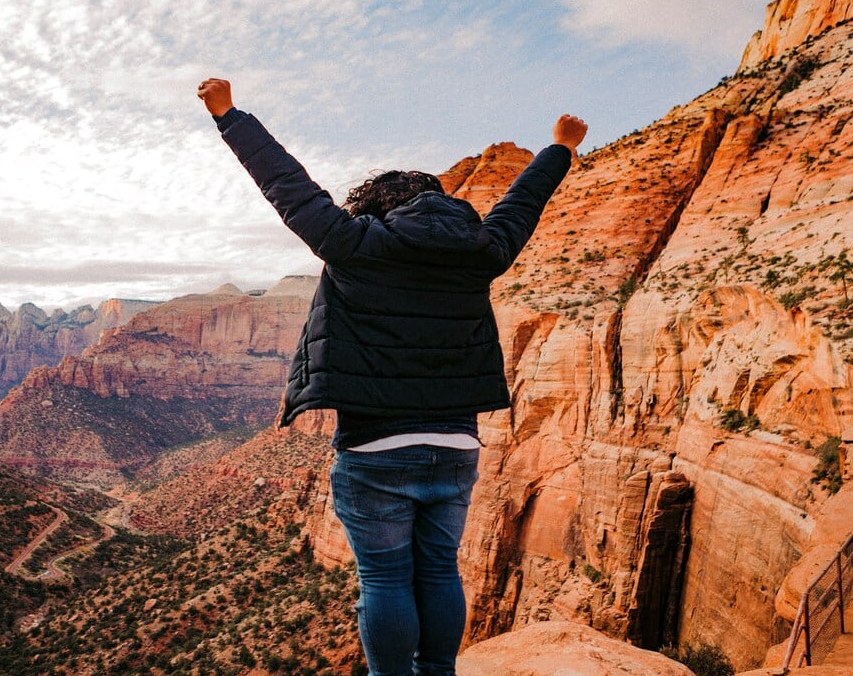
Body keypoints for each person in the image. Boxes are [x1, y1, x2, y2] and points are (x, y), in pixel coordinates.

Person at [198, 77, 586, 676]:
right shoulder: (481, 250)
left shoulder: (353, 244)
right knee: (438, 569)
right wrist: (559, 148)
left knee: (383, 578)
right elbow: (521, 204)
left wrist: (228, 114)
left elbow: (289, 187)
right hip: (456, 444)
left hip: (375, 446)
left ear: (376, 208)